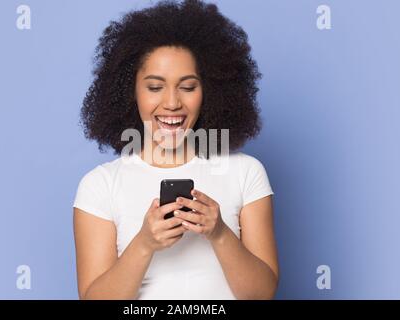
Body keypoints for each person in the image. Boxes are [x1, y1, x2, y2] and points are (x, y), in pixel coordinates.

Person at [73, 0, 278, 300]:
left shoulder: (246, 173)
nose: (171, 103)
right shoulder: (99, 186)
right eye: (155, 87)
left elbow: (262, 294)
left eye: (188, 86)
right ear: (130, 92)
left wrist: (219, 233)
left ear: (210, 90)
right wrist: (144, 243)